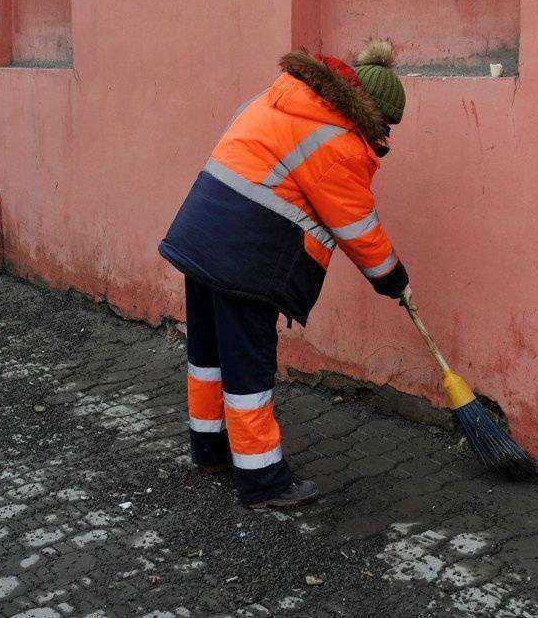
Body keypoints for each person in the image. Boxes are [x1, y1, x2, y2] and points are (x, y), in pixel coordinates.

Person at [159, 39, 411, 509]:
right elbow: (357, 229)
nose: (384, 139)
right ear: (371, 113)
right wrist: (393, 278)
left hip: (203, 233)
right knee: (248, 365)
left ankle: (210, 448)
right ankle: (263, 481)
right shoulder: (337, 139)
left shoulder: (282, 97)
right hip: (247, 257)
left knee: (208, 352)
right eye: (385, 127)